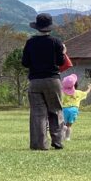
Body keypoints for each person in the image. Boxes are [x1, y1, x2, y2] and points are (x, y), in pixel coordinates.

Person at [22, 13, 66, 150]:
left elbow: (25, 62)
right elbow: (60, 61)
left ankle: (39, 144)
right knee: (55, 110)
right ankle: (57, 140)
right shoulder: (56, 42)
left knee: (37, 113)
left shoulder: (30, 42)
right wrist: (63, 52)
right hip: (53, 80)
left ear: (37, 27)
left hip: (35, 81)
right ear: (50, 27)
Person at [61, 74, 91, 140]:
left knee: (63, 125)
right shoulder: (78, 92)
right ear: (75, 84)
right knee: (69, 125)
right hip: (74, 110)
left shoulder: (63, 93)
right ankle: (67, 138)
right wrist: (89, 89)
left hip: (64, 110)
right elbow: (85, 93)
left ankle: (62, 135)